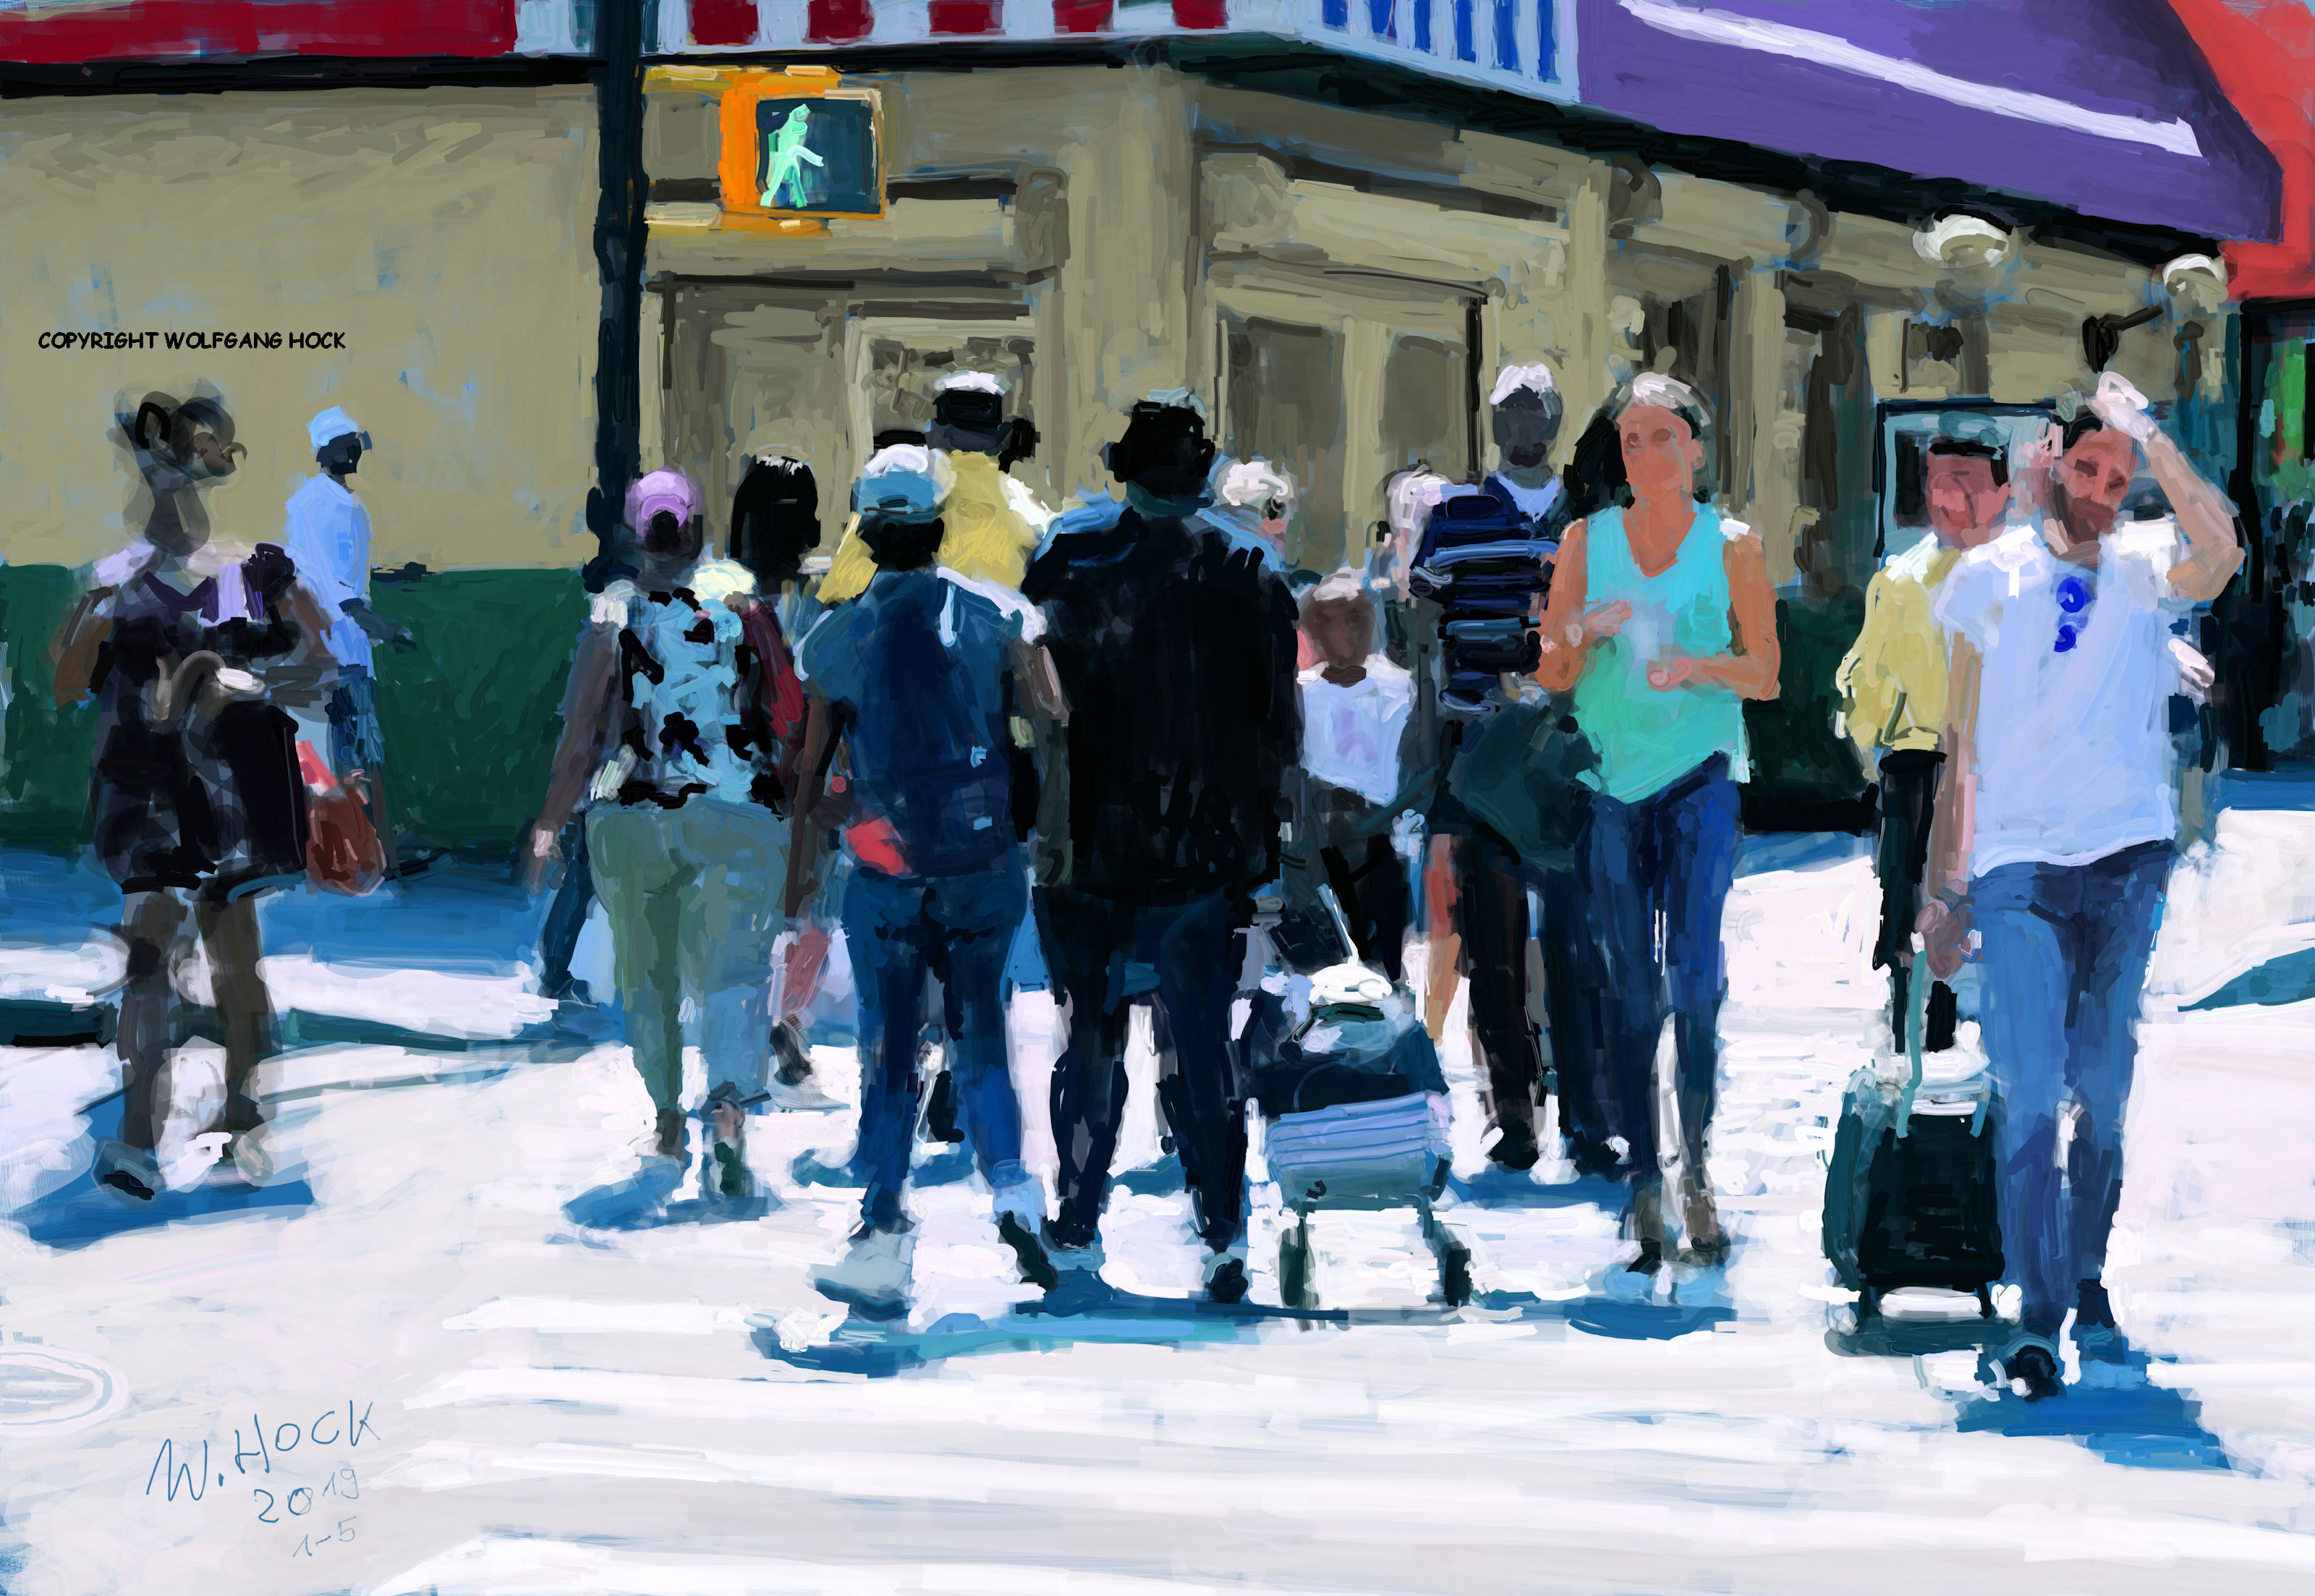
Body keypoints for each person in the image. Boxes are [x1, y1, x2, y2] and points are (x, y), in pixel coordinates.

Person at [1919, 373, 2242, 1402]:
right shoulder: (1987, 578)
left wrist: (2150, 434)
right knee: (2026, 1094)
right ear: (2052, 457)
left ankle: (2084, 1269)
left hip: (2127, 860)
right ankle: (2036, 1311)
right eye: (2089, 467)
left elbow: (2222, 552)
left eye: (2118, 477)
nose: (2102, 492)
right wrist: (1942, 887)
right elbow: (1958, 743)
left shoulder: (2145, 568)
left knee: (2100, 1096)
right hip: (2017, 870)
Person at [1023, 391, 1301, 1302]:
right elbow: (1276, 728)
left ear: (1123, 470)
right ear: (1202, 474)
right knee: (1202, 1051)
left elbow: (1032, 702)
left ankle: (1076, 1221)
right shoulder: (1247, 568)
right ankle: (1221, 1232)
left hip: (1090, 848)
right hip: (1204, 855)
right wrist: (1264, 852)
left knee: (1089, 1043)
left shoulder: (1066, 561)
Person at [784, 449, 1066, 1316]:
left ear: (868, 535)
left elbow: (810, 777)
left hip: (884, 866)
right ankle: (1014, 1194)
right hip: (983, 860)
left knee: (890, 1049)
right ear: (940, 527)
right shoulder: (1000, 614)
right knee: (981, 1035)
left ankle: (882, 1229)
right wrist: (1043, 827)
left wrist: (803, 870)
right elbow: (1053, 718)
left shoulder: (832, 638)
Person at [51, 392, 334, 1198]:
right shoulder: (115, 579)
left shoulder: (249, 570)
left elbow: (319, 661)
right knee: (147, 959)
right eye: (159, 469)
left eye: (184, 467)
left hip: (228, 792)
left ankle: (244, 1112)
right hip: (146, 790)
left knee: (232, 960)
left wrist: (246, 680)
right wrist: (97, 622)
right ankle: (139, 1137)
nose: (170, 487)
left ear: (209, 473)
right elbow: (68, 681)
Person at [1532, 373, 1782, 1270]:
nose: (1645, 455)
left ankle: (1697, 1172)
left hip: (1699, 783)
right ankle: (1644, 1181)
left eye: (1661, 437)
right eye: (1631, 440)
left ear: (1695, 448)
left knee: (1695, 986)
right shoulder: (1585, 540)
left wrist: (1696, 667)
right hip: (1611, 787)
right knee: (1628, 990)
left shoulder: (1732, 545)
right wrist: (1581, 635)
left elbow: (1765, 673)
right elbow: (1551, 671)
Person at [524, 468, 807, 1223]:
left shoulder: (612, 614)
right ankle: (728, 1122)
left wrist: (551, 822)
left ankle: (668, 1123)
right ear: (697, 529)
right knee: (734, 974)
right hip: (738, 813)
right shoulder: (744, 604)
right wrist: (788, 807)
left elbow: (583, 732)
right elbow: (787, 716)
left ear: (635, 533)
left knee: (647, 977)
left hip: (633, 816)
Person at [1411, 364, 1609, 1176]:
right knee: (1492, 950)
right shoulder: (1454, 516)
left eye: (1537, 411)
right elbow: (1425, 630)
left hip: (1571, 759)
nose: (1524, 424)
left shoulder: (1594, 519)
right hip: (1477, 756)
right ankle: (1514, 1115)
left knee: (1578, 944)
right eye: (1511, 412)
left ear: (1557, 423)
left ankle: (1590, 1117)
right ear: (1493, 425)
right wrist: (1431, 748)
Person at [1835, 417, 2013, 1055]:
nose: (1948, 499)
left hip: (2000, 766)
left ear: (2002, 491)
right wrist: (1871, 740)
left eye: (1965, 483)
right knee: (1909, 902)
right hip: (1917, 763)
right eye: (1938, 483)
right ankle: (1917, 1030)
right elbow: (1867, 681)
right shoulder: (1901, 581)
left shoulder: (2020, 576)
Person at [281, 404, 412, 875]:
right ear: (328, 451)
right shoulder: (340, 507)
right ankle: (379, 859)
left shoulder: (303, 503)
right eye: (348, 445)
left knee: (326, 761)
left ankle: (339, 858)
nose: (355, 452)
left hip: (315, 651)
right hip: (345, 650)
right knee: (360, 757)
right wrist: (383, 628)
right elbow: (342, 590)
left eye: (356, 444)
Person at [1283, 570, 1431, 981]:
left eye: (1354, 619)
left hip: (1381, 841)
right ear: (1313, 632)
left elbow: (1418, 774)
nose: (1344, 633)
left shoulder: (1400, 689)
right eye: (1327, 622)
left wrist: (1375, 822)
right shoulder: (1303, 692)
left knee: (1384, 964)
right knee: (1327, 965)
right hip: (1321, 841)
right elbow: (1297, 777)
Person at [820, 372, 1050, 603]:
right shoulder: (1017, 498)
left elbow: (845, 584)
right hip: (998, 610)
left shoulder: (922, 479)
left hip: (923, 603)